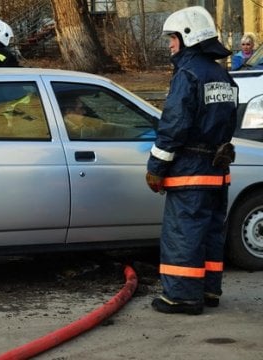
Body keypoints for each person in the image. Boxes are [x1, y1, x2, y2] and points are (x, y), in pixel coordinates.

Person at [145, 6, 238, 315]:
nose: (170, 45)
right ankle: (209, 291)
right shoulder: (221, 74)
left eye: (172, 38)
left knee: (183, 233)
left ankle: (182, 297)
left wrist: (156, 167)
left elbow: (174, 124)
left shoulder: (188, 74)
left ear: (186, 37)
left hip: (191, 171)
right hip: (218, 169)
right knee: (211, 233)